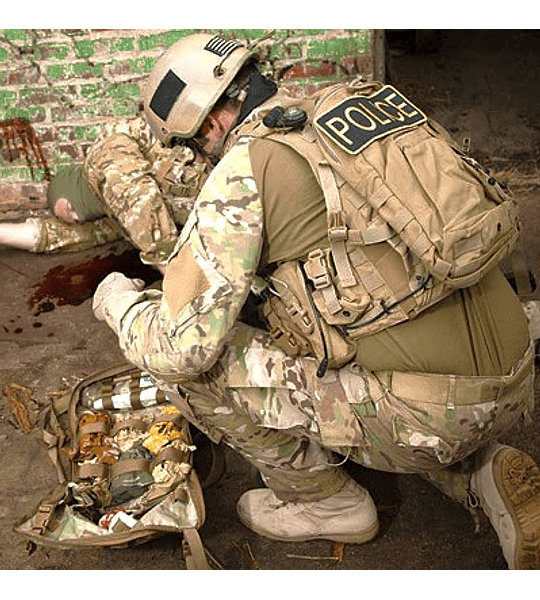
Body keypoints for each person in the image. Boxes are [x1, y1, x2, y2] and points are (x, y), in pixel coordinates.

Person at [90, 33, 540, 569]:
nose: (196, 159)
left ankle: (325, 504)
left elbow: (181, 348)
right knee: (311, 321)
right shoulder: (352, 107)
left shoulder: (242, 171)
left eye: (191, 148)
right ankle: (478, 475)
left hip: (435, 412)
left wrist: (119, 303)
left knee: (194, 366)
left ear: (208, 127)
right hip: (516, 372)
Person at [0, 115, 209, 272]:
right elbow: (59, 236)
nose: (74, 216)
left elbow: (137, 198)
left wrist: (171, 269)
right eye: (72, 218)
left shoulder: (102, 154)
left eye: (67, 207)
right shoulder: (113, 214)